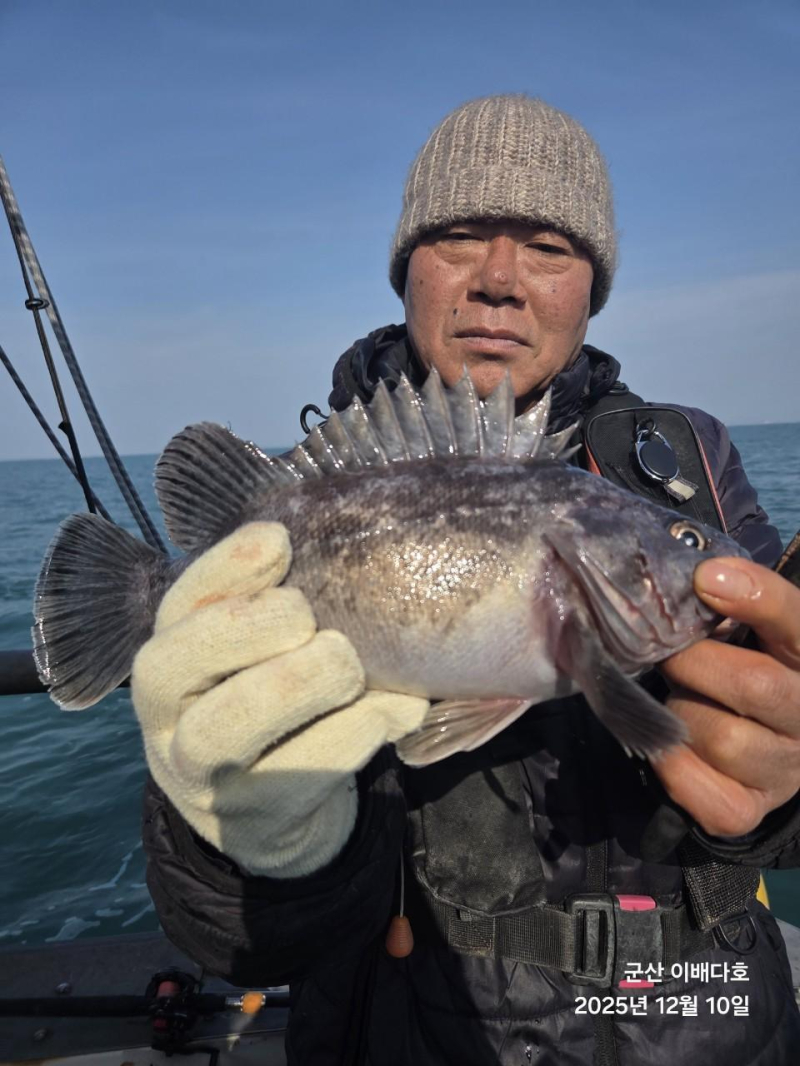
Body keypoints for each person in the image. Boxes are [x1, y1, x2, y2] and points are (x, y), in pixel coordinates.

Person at [134, 95, 800, 1064]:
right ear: (405, 269)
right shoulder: (317, 480)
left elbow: (779, 821)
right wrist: (233, 825)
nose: (498, 280)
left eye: (549, 248)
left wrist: (780, 776)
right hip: (405, 1028)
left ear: (592, 290)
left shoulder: (686, 465)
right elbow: (243, 945)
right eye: (456, 238)